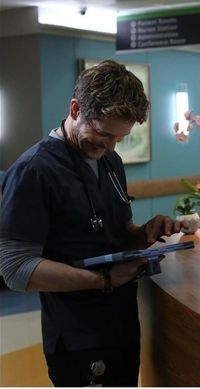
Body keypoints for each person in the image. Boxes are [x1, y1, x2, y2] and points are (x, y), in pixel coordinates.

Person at [0, 60, 188, 387]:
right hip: (76, 338)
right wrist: (102, 280)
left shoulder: (111, 162)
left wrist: (145, 233)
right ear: (75, 109)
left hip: (121, 327)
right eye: (102, 134)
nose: (110, 147)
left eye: (121, 138)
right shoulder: (34, 171)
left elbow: (118, 235)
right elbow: (15, 268)